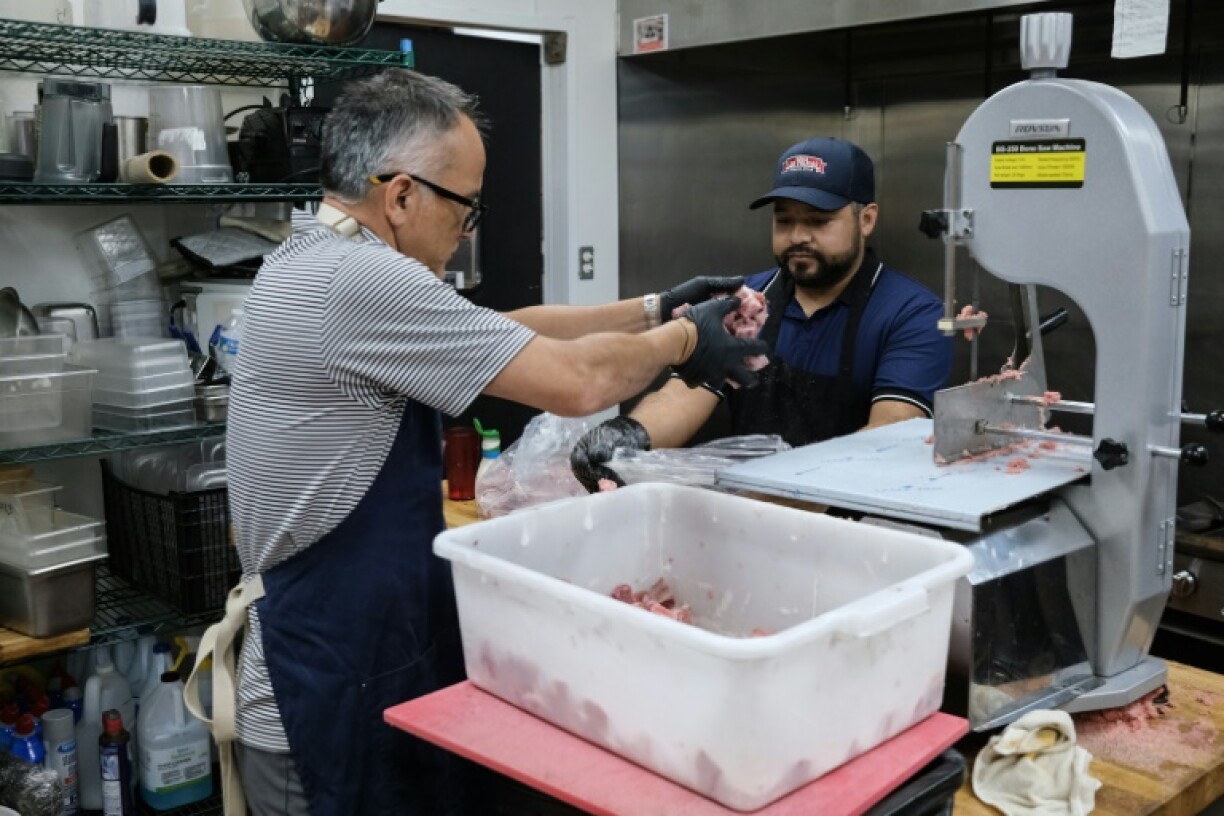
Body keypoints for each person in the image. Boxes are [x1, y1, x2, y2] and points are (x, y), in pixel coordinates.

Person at [189, 69, 766, 816]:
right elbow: (575, 381)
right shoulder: (357, 282)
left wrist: (655, 307)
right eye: (465, 208)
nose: (467, 231)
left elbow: (503, 331)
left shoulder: (315, 257)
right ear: (400, 196)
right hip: (325, 687)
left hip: (357, 653)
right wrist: (688, 341)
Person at [571, 136, 953, 491]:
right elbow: (685, 394)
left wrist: (778, 496)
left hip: (856, 522)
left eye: (819, 221)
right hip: (751, 519)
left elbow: (888, 434)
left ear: (866, 219)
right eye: (784, 220)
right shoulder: (745, 303)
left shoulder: (913, 313)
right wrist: (627, 439)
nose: (798, 235)